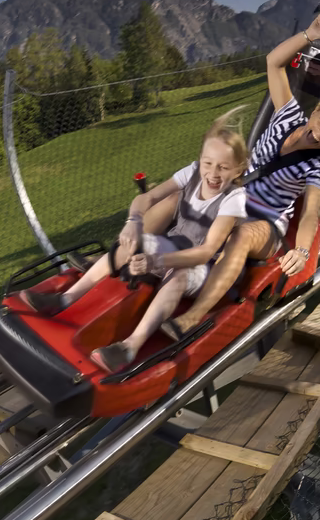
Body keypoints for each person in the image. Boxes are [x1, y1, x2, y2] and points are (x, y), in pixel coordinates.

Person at [164, 13, 320, 337]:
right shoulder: (287, 117)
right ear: (316, 112)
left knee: (239, 235)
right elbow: (274, 62)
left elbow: (310, 212)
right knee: (176, 198)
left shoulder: (318, 168)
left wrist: (302, 250)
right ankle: (128, 260)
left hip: (267, 224)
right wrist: (309, 35)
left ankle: (192, 319)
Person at [20, 110, 251, 372]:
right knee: (134, 242)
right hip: (173, 247)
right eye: (208, 163)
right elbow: (147, 198)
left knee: (180, 275)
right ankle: (66, 299)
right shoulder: (194, 172)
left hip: (201, 267)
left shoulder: (234, 198)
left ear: (238, 169)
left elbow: (205, 251)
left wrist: (157, 260)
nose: (213, 173)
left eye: (223, 167)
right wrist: (134, 223)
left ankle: (131, 346)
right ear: (200, 160)